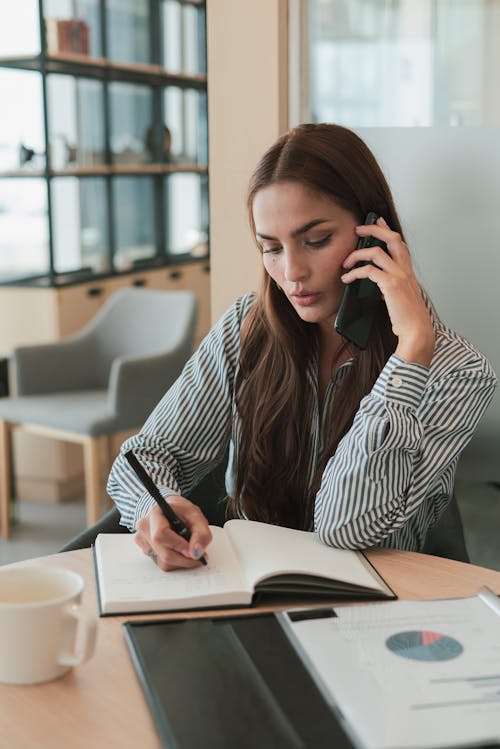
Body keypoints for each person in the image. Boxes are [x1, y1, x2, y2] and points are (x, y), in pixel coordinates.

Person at [107, 123, 496, 571]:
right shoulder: (245, 328)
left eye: (316, 241)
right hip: (259, 598)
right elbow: (145, 457)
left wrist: (410, 354)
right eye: (270, 248)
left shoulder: (457, 371)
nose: (292, 272)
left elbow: (345, 527)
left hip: (383, 617)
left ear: (374, 233)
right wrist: (158, 506)